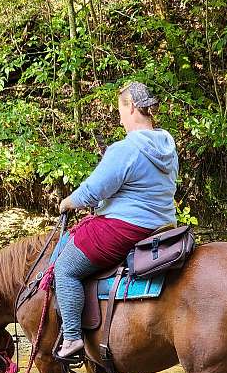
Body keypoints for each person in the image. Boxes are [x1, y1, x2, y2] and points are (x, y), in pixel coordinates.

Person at [54, 81, 179, 358]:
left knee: (65, 269)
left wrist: (68, 202)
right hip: (162, 226)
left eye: (120, 110)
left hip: (125, 228)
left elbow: (93, 191)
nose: (120, 118)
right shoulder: (167, 144)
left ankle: (73, 337)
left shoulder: (127, 149)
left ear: (131, 106)